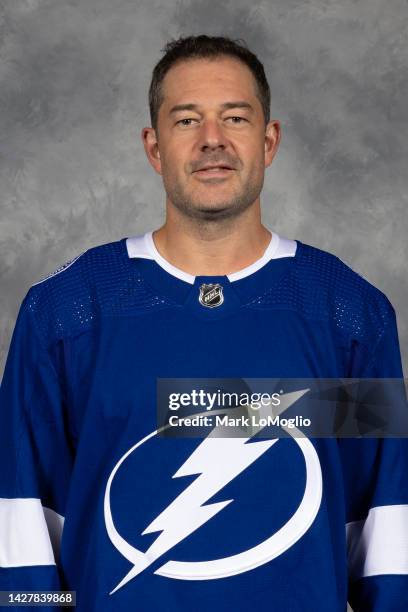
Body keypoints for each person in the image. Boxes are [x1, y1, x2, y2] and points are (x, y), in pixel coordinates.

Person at [0, 34, 406, 611]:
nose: (212, 140)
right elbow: (20, 536)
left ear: (269, 141)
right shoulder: (67, 313)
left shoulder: (349, 315)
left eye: (234, 118)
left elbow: (387, 538)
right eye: (186, 120)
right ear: (153, 146)